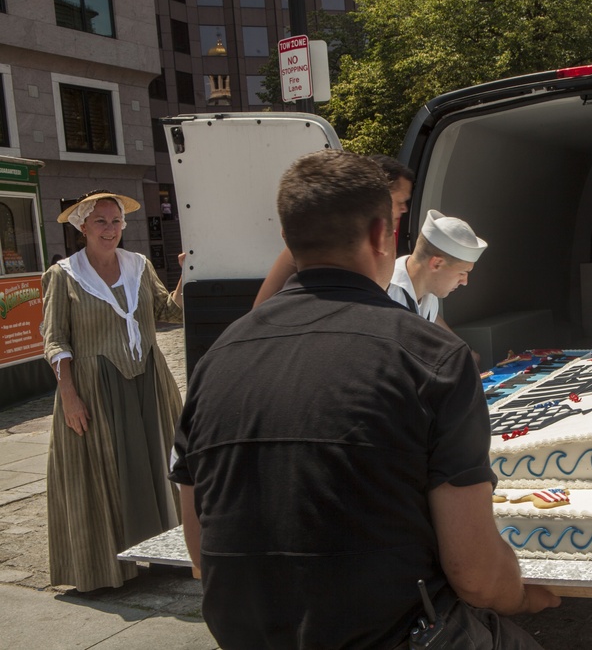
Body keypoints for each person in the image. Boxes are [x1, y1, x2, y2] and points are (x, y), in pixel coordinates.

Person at [169, 150, 557, 649]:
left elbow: (201, 549)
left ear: (287, 240)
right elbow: (476, 574)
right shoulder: (431, 359)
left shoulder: (216, 360)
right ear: (381, 236)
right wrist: (524, 599)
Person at [42, 190, 185, 592]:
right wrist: (69, 395)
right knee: (102, 473)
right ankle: (105, 569)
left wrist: (186, 274)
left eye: (116, 221)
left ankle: (167, 552)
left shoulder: (138, 265)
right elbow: (54, 339)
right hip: (93, 386)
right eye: (101, 221)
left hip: (147, 379)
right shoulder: (63, 275)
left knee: (159, 464)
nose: (110, 229)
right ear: (82, 226)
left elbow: (168, 313)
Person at [251, 154, 414, 307]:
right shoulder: (323, 237)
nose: (404, 208)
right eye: (401, 200)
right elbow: (263, 306)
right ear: (379, 192)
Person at [387, 209, 486, 337]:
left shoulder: (430, 293)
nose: (465, 282)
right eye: (462, 273)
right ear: (436, 264)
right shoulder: (384, 294)